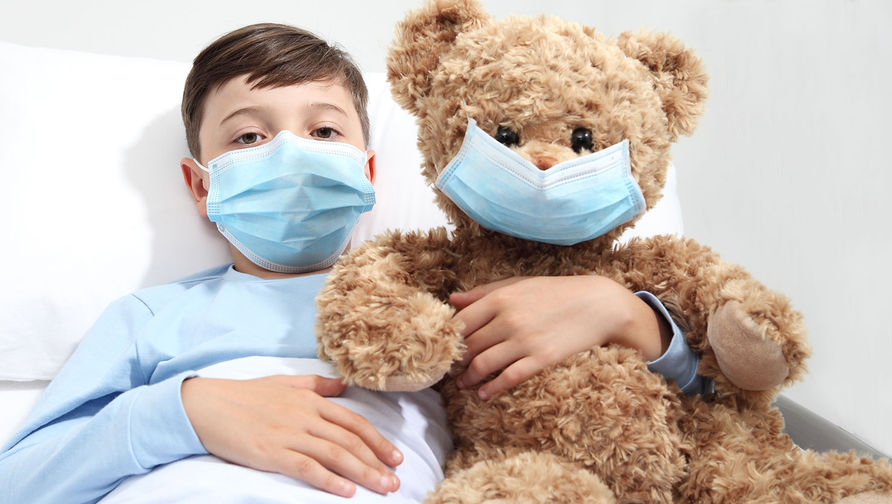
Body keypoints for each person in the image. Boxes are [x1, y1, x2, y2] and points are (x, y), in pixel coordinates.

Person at [0, 23, 703, 504]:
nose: (291, 151)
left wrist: (625, 314)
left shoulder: (438, 301)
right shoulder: (152, 317)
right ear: (201, 186)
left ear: (366, 171)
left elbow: (682, 414)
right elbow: (19, 480)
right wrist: (185, 411)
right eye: (248, 137)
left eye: (323, 129)